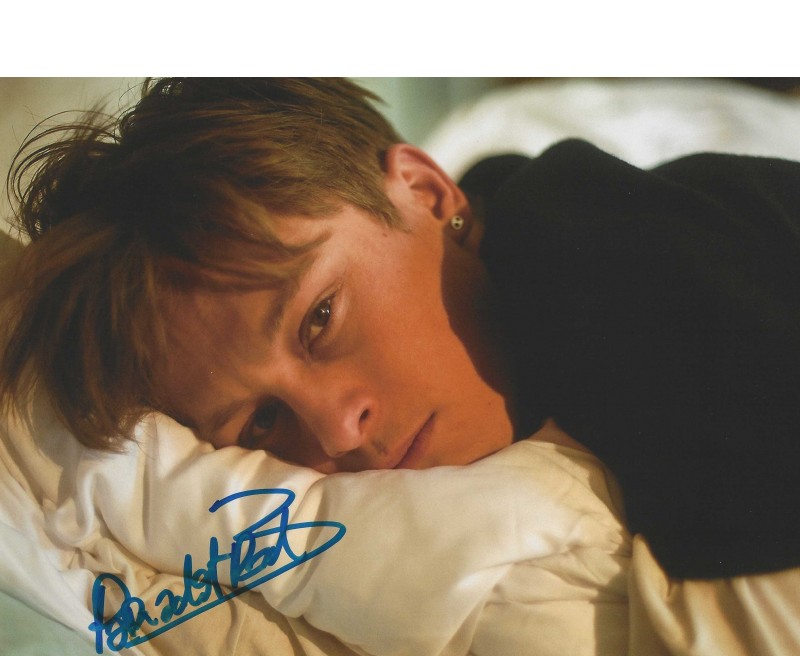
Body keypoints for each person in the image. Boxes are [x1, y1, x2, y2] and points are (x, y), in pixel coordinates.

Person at [2, 77, 799, 583]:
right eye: (262, 421)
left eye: (320, 318)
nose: (336, 431)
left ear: (425, 191)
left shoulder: (607, 257)